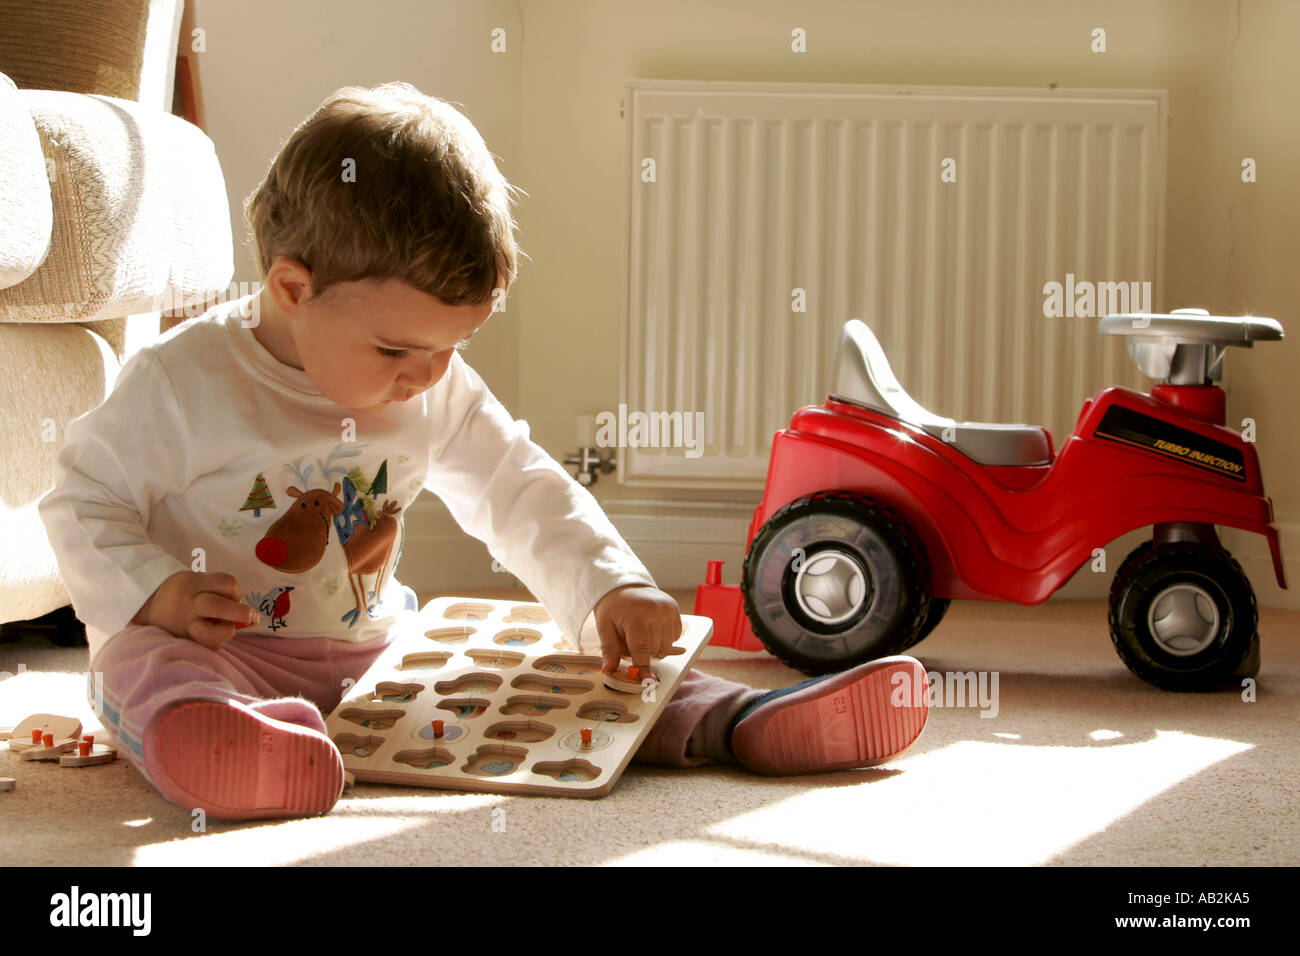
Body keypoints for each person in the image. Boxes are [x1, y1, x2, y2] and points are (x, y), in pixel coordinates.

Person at [38, 82, 928, 821]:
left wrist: (607, 582)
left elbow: (516, 484)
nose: (425, 378)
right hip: (220, 654)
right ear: (291, 289)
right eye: (395, 351)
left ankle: (733, 719)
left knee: (561, 663)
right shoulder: (182, 381)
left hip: (376, 656)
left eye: (449, 350)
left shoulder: (430, 382)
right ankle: (227, 745)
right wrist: (154, 592)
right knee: (141, 666)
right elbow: (81, 499)